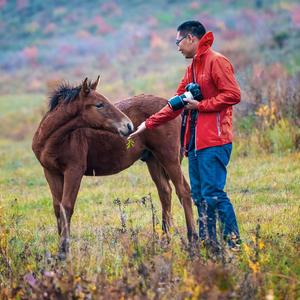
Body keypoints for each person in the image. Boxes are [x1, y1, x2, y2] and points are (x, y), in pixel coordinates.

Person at [129, 20, 241, 250]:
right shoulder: (191, 69)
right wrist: (146, 125)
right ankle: (209, 245)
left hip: (215, 140)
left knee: (214, 194)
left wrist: (200, 105)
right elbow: (175, 104)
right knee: (199, 195)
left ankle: (234, 244)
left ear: (191, 38)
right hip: (194, 143)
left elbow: (233, 94)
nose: (177, 47)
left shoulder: (217, 62)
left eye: (178, 41)